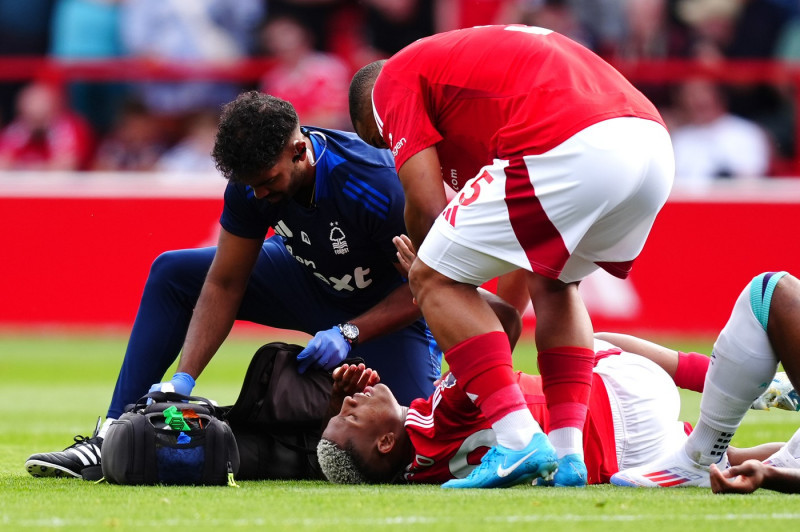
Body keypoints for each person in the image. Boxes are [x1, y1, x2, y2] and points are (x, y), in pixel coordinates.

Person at [25, 91, 457, 480]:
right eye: (250, 185)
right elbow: (225, 282)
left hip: (385, 310)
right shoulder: (252, 183)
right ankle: (111, 434)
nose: (260, 194)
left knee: (404, 451)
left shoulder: (377, 185)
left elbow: (429, 285)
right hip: (304, 281)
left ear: (299, 150)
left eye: (269, 181)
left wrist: (350, 332)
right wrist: (184, 379)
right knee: (175, 273)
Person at [348, 24, 674, 488]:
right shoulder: (467, 94)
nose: (391, 150)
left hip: (574, 140)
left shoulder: (390, 83)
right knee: (556, 281)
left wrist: (427, 275)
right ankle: (567, 457)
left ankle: (519, 440)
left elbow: (424, 203)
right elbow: (525, 257)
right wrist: (487, 331)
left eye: (382, 142)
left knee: (433, 276)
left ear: (372, 119)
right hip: (650, 144)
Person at [315, 335, 794, 486]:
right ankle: (736, 383)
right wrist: (434, 282)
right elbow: (495, 328)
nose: (352, 399)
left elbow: (357, 459)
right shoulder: (434, 418)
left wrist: (342, 414)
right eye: (351, 413)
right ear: (384, 441)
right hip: (617, 402)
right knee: (578, 339)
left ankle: (783, 456)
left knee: (732, 459)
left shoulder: (414, 472)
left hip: (628, 465)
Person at [611, 271, 800, 489]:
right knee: (770, 290)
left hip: (625, 435)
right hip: (633, 435)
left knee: (770, 291)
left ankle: (702, 456)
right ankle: (703, 455)